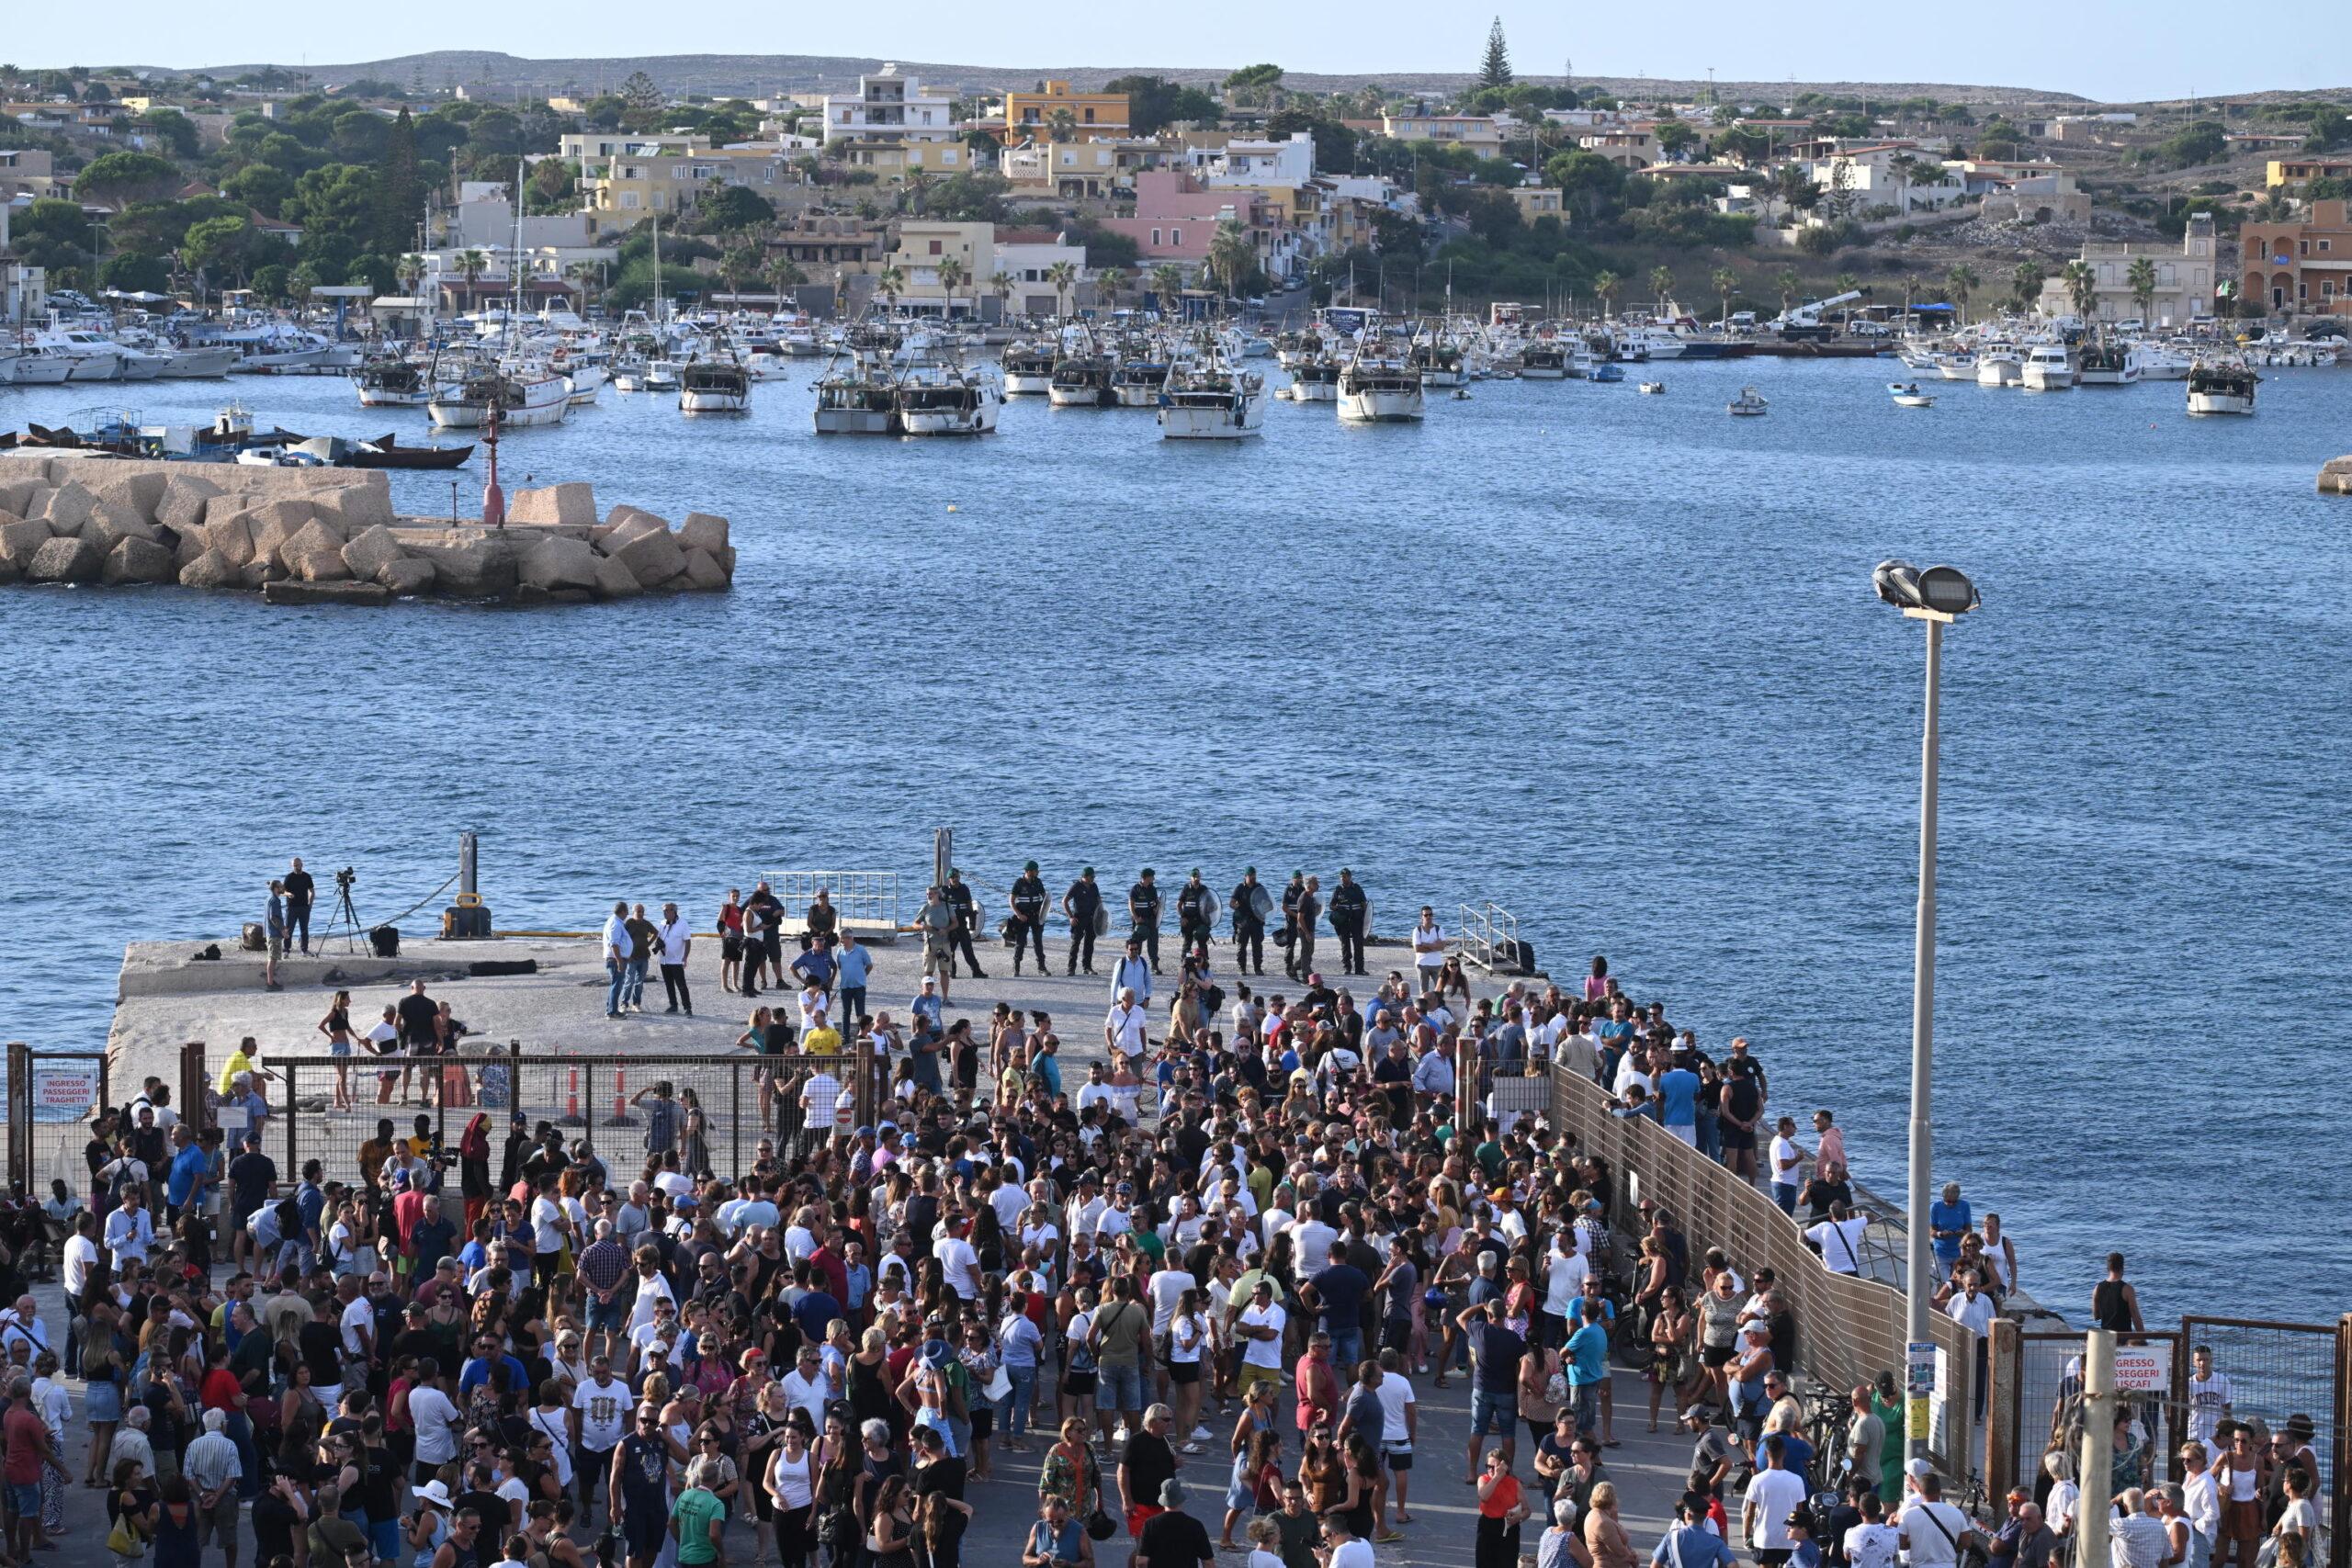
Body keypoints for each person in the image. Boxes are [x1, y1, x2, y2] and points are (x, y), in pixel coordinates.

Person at [1136, 1479, 1213, 1568]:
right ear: (1181, 1500)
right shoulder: (1195, 1525)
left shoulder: (1150, 1524)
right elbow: (1208, 1563)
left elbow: (1141, 1562)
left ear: (1163, 1501)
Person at [1475, 1448, 1530, 1568]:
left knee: (1507, 1563)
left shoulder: (1514, 1483)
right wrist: (1496, 1478)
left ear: (1505, 1467)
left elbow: (1527, 1510)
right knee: (1484, 1563)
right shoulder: (1483, 1479)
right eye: (1488, 1466)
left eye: (1496, 1467)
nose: (1491, 1470)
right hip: (1487, 1526)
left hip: (1508, 1527)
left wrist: (1519, 1517)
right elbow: (1484, 1496)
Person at [655, 902, 694, 1015]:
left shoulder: (683, 923)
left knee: (681, 985)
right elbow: (658, 937)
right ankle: (673, 1005)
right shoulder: (662, 923)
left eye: (668, 910)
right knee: (668, 984)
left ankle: (687, 1007)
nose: (665, 912)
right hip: (664, 959)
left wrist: (685, 957)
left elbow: (687, 941)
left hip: (677, 960)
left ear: (674, 911)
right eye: (664, 911)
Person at [1329, 870, 1369, 976]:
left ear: (1350, 877)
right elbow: (1331, 906)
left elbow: (1364, 904)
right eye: (1341, 877)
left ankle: (1359, 969)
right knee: (1345, 945)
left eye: (1345, 876)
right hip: (1343, 922)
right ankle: (1347, 968)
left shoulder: (1357, 888)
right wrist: (1338, 908)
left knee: (1358, 945)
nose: (1343, 878)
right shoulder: (1338, 890)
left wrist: (1365, 919)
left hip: (1356, 920)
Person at [602, 901, 633, 1019]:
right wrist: (620, 960)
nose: (627, 914)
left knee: (615, 985)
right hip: (615, 960)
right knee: (616, 985)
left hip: (618, 958)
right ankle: (612, 1012)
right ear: (623, 911)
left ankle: (611, 1009)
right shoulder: (615, 923)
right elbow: (614, 944)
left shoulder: (616, 921)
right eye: (627, 911)